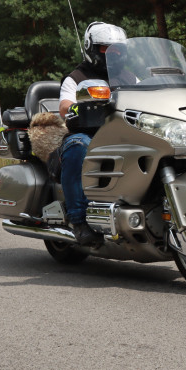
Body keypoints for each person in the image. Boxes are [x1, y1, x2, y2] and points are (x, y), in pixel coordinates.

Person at [58, 22, 127, 247]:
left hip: (123, 134)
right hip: (89, 134)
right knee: (78, 145)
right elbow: (64, 106)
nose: (112, 54)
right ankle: (78, 220)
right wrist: (77, 107)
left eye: (117, 50)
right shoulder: (76, 78)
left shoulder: (128, 77)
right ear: (92, 49)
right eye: (106, 49)